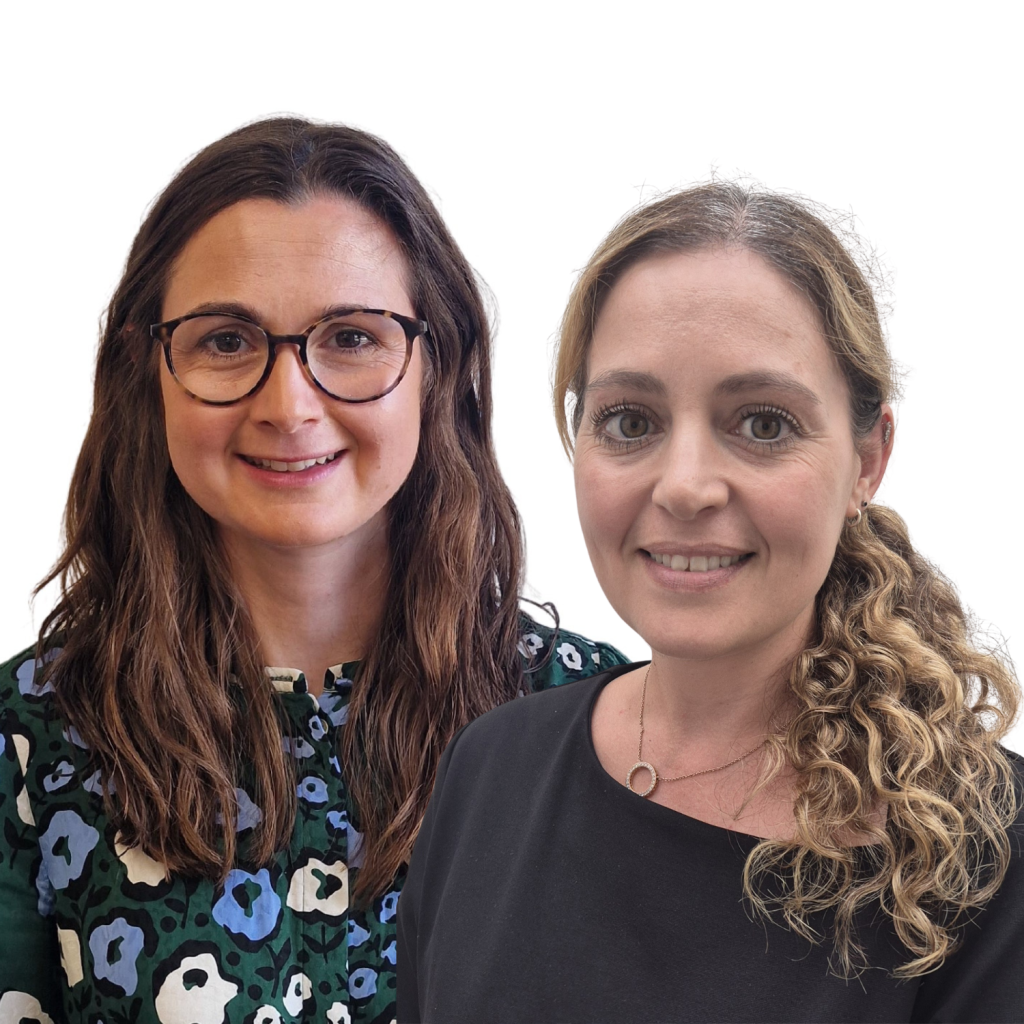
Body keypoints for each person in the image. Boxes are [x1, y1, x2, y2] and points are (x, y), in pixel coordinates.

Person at [0, 117, 626, 1024]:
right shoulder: (26, 745)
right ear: (149, 369)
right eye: (225, 340)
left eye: (352, 338)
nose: (290, 404)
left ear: (435, 364)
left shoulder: (598, 724)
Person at [397, 183, 1024, 1023]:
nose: (686, 486)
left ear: (868, 461)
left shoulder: (988, 852)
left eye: (763, 424)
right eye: (629, 421)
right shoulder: (490, 770)